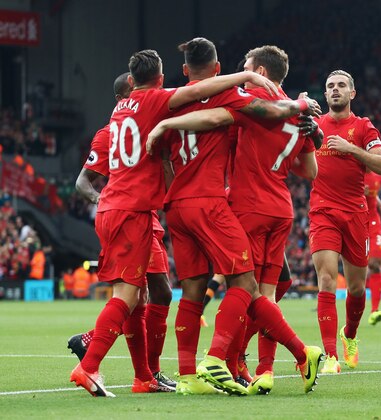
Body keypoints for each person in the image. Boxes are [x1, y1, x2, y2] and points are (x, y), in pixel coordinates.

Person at [69, 48, 278, 398]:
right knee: (128, 295)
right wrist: (248, 77)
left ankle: (143, 376)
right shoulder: (155, 103)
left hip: (130, 211)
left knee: (151, 293)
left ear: (131, 82)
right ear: (161, 80)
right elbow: (196, 91)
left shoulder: (118, 113)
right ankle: (89, 364)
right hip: (131, 210)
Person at [146, 38, 323, 396]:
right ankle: (255, 362)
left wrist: (164, 129)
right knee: (253, 288)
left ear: (183, 71)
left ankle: (193, 375)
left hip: (182, 203)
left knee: (196, 290)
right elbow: (309, 168)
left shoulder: (166, 101)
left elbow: (171, 148)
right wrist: (304, 113)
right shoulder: (251, 102)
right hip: (244, 204)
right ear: (217, 69)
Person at [66, 72, 176, 392]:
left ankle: (145, 375)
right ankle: (139, 372)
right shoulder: (108, 133)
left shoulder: (145, 121)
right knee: (136, 294)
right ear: (124, 97)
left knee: (149, 294)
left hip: (143, 216)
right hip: (127, 215)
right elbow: (82, 182)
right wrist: (105, 201)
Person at [224, 45, 321, 394]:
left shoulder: (255, 99)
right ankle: (262, 370)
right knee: (265, 296)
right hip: (280, 206)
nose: (243, 73)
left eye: (247, 68)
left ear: (261, 73)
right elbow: (310, 170)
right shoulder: (300, 116)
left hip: (248, 204)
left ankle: (297, 353)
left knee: (240, 291)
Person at [309, 70, 381, 374]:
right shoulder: (315, 126)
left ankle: (350, 335)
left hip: (357, 215)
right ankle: (330, 355)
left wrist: (351, 149)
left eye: (341, 85)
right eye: (329, 86)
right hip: (322, 211)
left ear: (352, 93)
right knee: (327, 279)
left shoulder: (363, 127)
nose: (334, 90)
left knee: (356, 290)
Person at [364, 171, 381, 326]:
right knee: (357, 269)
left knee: (375, 264)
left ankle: (375, 310)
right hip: (357, 220)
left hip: (374, 223)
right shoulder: (353, 171)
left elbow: (374, 193)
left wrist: (379, 204)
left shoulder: (378, 175)